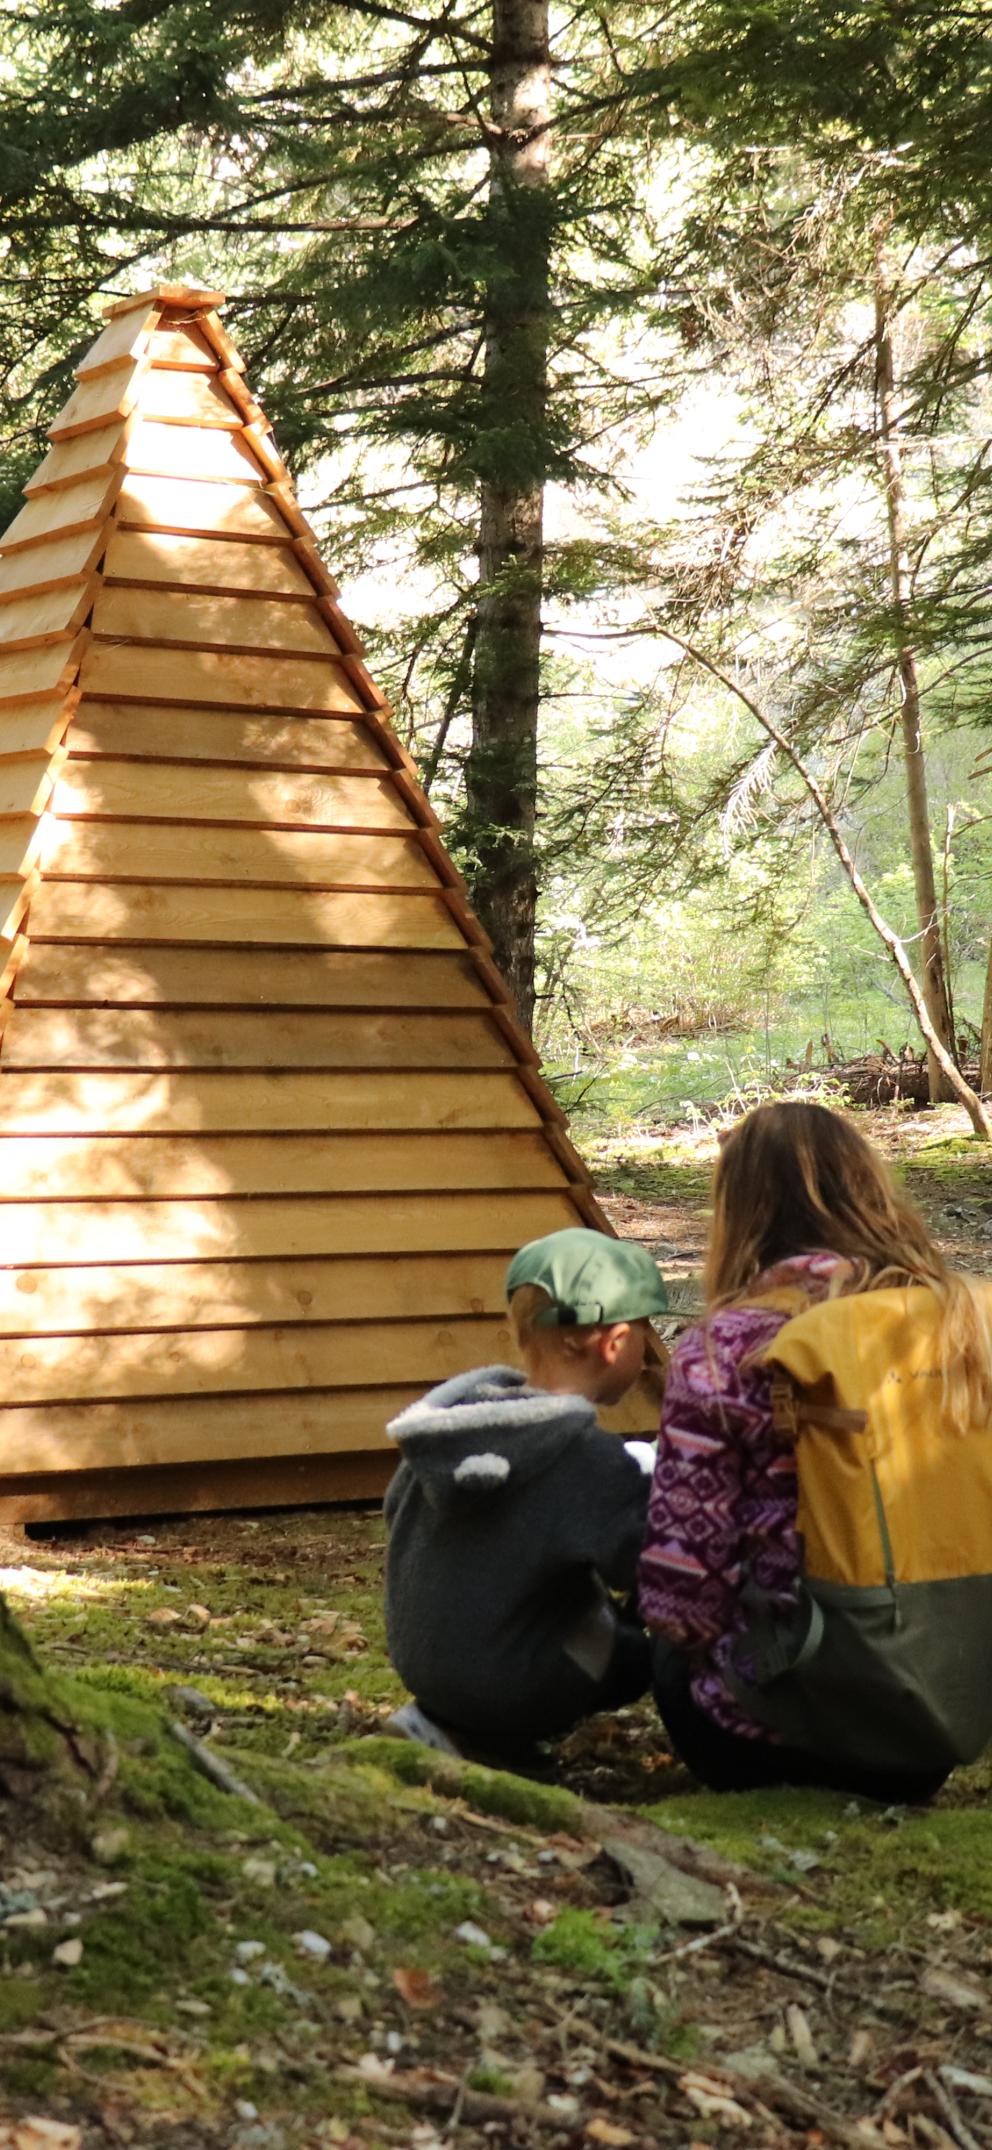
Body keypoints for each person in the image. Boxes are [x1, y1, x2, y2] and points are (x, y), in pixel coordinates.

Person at [639, 1100, 992, 1803]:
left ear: (739, 1210)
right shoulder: (958, 1325)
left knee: (664, 1645)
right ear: (869, 1189)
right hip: (926, 1729)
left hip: (754, 1737)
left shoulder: (721, 1350)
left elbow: (687, 1606)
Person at [383, 1226, 668, 1768]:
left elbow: (396, 1511)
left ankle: (446, 1725)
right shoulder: (583, 1458)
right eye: (644, 1332)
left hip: (424, 1665)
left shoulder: (452, 1428)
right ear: (613, 1344)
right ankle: (498, 1739)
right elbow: (650, 1566)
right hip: (512, 1685)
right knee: (646, 1648)